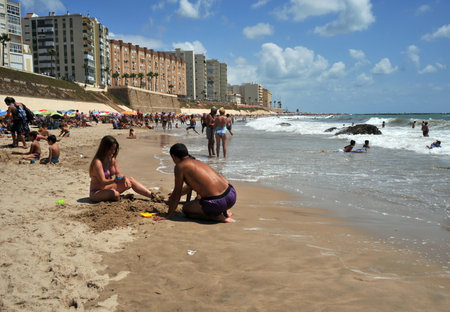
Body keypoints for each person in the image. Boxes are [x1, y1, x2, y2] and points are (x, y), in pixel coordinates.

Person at [157, 143, 236, 222]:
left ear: (174, 156)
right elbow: (190, 187)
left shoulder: (180, 166)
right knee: (204, 197)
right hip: (231, 195)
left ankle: (218, 217)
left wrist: (168, 215)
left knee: (186, 209)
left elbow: (177, 192)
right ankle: (225, 211)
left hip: (217, 203)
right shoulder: (196, 162)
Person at [89, 135, 157, 202]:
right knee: (115, 194)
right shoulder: (97, 163)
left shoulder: (112, 159)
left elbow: (118, 174)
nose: (113, 152)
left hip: (108, 188)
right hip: (97, 192)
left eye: (114, 149)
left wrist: (124, 178)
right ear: (104, 148)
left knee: (131, 180)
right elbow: (103, 181)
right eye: (111, 149)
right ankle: (122, 197)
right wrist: (114, 181)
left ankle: (154, 196)